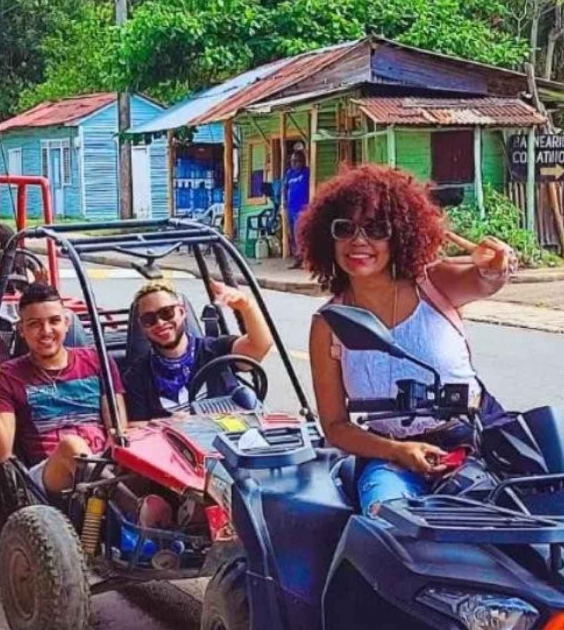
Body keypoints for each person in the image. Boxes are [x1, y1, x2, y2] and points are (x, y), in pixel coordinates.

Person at [300, 165, 517, 516]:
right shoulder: (329, 323)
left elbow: (481, 280)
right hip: (389, 455)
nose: (359, 241)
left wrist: (495, 266)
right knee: (386, 525)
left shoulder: (434, 284)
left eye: (376, 229)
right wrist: (397, 451)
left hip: (473, 440)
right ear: (329, 239)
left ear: (398, 235)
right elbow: (336, 427)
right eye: (345, 229)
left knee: (499, 522)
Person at [0, 282, 125, 495]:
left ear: (67, 323)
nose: (46, 331)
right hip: (50, 474)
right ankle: (137, 510)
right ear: (22, 330)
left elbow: (119, 429)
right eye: (35, 324)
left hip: (105, 462)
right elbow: (0, 454)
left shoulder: (98, 362)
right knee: (72, 447)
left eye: (54, 321)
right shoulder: (8, 375)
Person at [122, 279, 275, 420]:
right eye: (149, 319)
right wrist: (167, 424)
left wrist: (246, 305)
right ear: (142, 327)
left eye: (166, 313)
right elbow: (135, 428)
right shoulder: (137, 374)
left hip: (227, 439)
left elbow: (259, 345)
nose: (160, 323)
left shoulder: (215, 350)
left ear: (182, 313)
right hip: (173, 446)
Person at [284, 148, 310, 268]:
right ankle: (297, 259)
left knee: (300, 234)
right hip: (291, 208)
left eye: (297, 161)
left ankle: (305, 258)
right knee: (292, 235)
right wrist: (284, 201)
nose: (294, 164)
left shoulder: (307, 172)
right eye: (293, 161)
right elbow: (284, 188)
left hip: (302, 208)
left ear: (303, 161)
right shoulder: (289, 174)